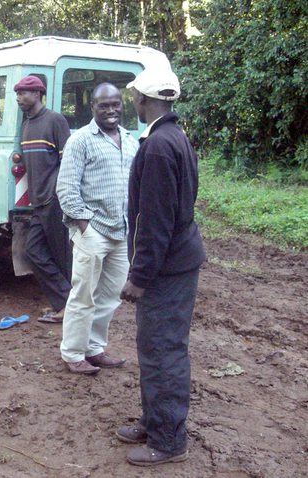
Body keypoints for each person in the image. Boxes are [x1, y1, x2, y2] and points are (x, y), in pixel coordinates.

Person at [117, 68, 206, 465]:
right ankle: (156, 422)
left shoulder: (157, 146)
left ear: (143, 100)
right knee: (156, 347)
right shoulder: (176, 137)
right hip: (178, 261)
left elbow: (154, 220)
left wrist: (139, 277)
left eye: (135, 97)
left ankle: (169, 441)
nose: (133, 102)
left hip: (167, 268)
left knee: (163, 351)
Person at [56, 83, 138, 374]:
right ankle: (73, 353)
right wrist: (84, 226)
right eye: (104, 105)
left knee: (110, 295)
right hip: (93, 230)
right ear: (93, 107)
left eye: (116, 104)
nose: (111, 109)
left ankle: (94, 348)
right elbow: (66, 188)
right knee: (83, 294)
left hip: (122, 231)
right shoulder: (81, 140)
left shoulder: (130, 140)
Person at [14, 75, 72, 323]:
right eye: (17, 94)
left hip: (55, 201)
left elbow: (68, 162)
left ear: (37, 94)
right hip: (38, 203)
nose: (18, 98)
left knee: (62, 257)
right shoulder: (26, 125)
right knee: (34, 251)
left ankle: (69, 308)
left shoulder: (55, 120)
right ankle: (67, 302)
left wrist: (55, 191)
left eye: (23, 93)